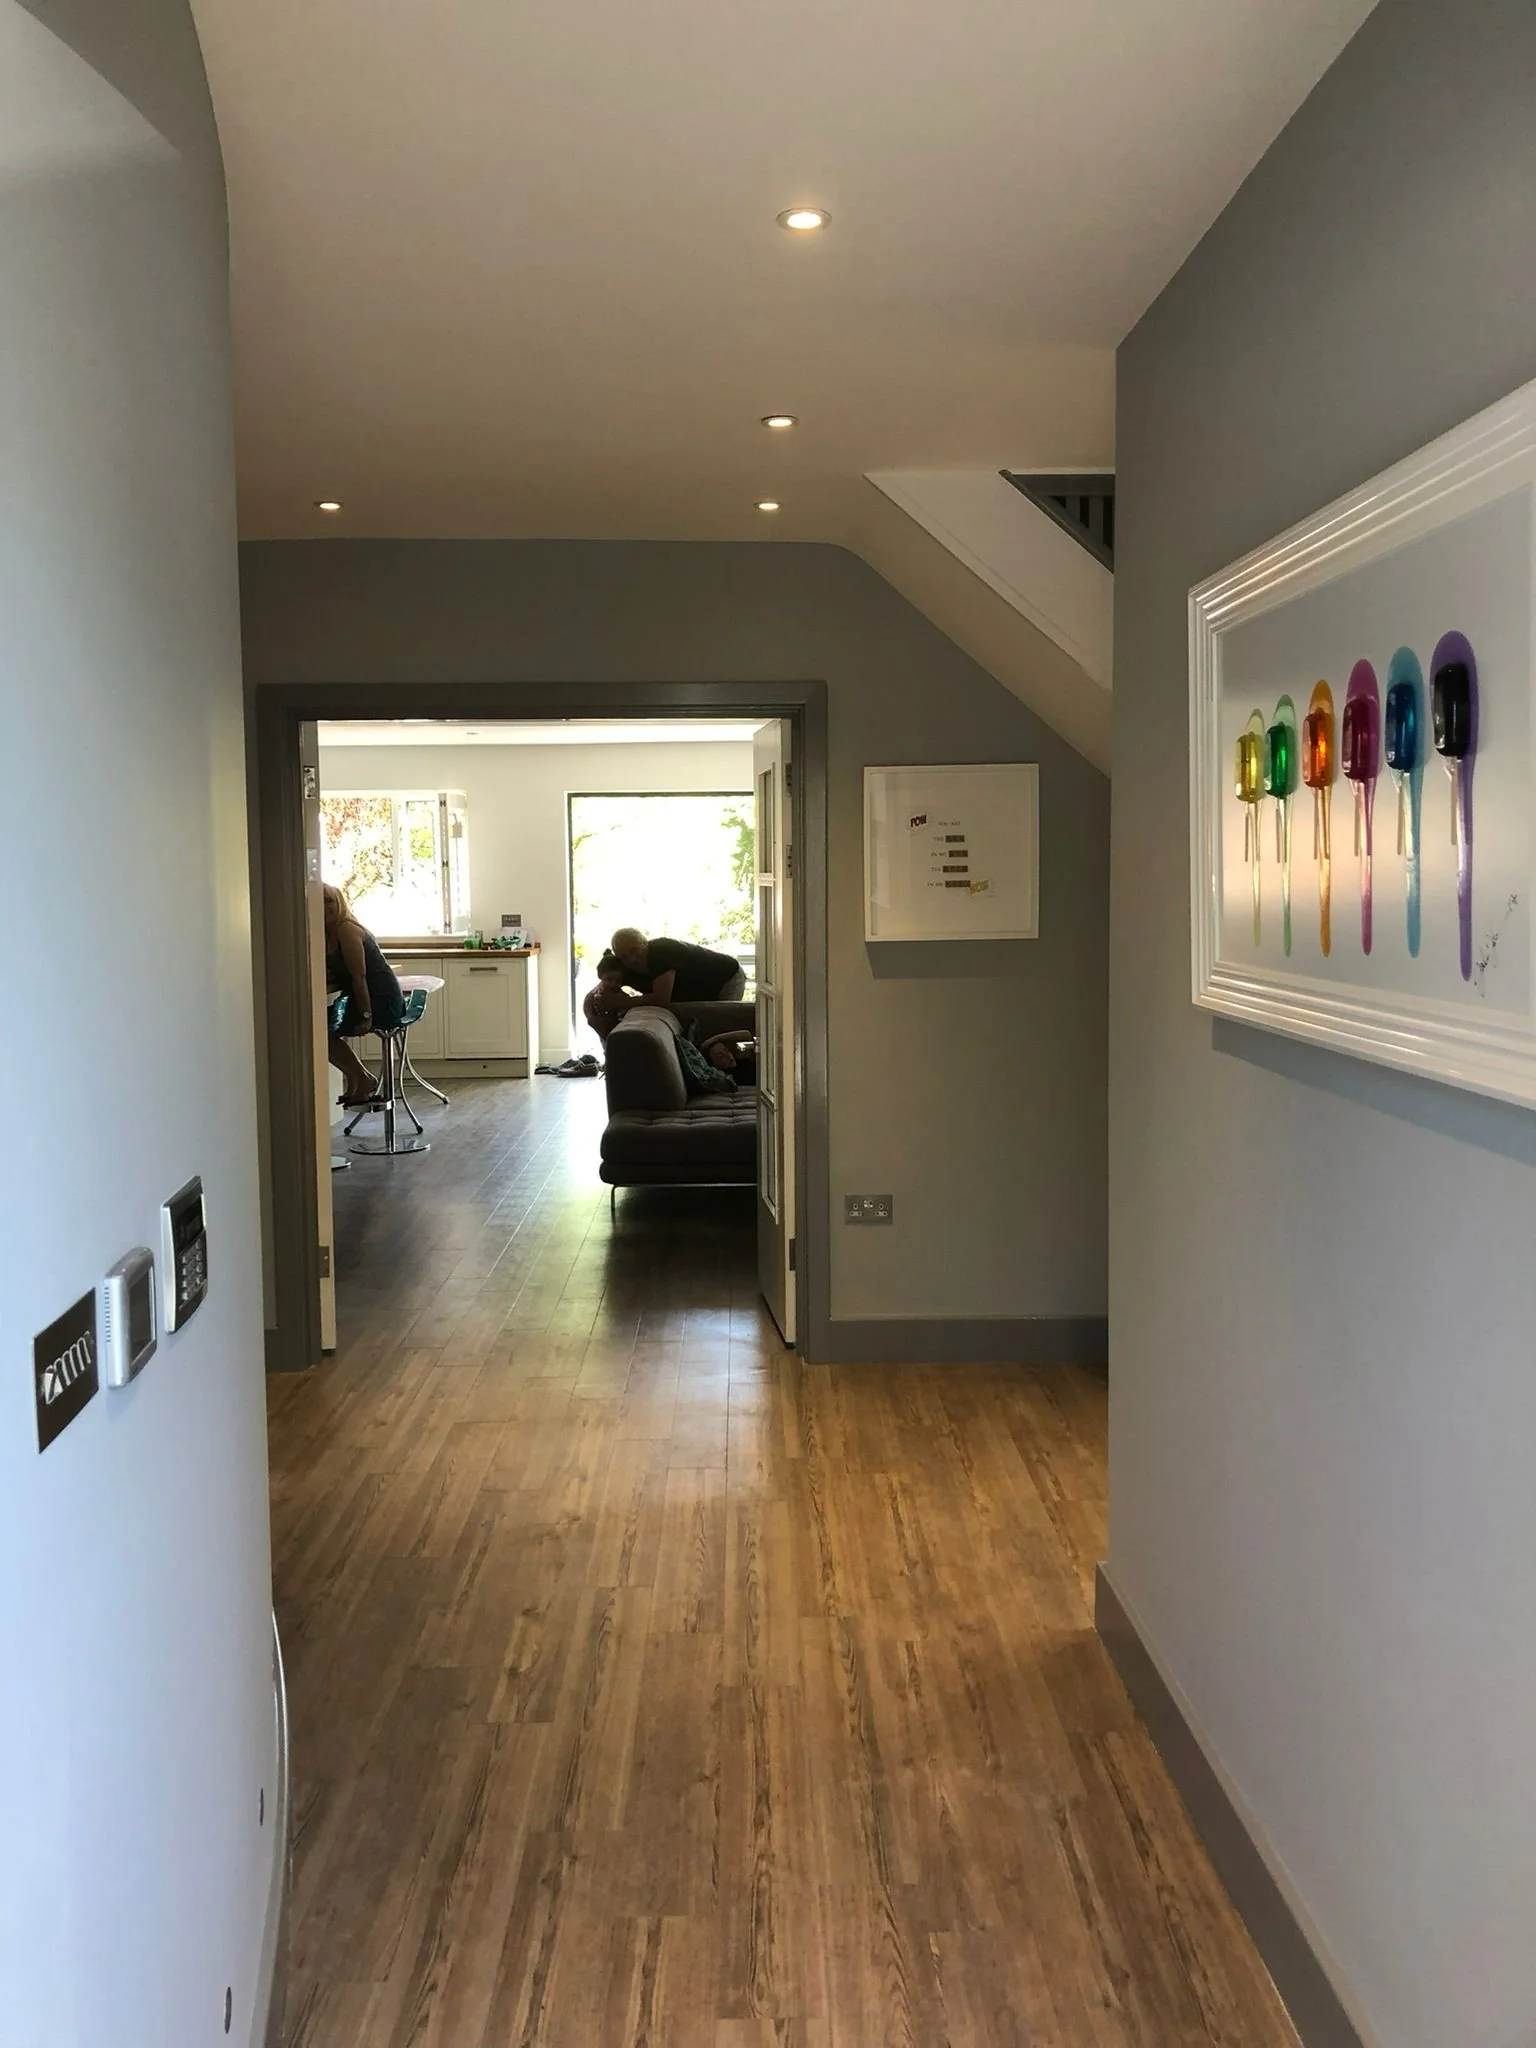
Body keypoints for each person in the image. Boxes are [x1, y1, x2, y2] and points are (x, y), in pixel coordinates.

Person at [322, 883, 405, 1106]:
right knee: (317, 1029)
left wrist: (366, 1016)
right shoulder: (328, 933)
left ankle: (361, 1077)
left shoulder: (346, 929)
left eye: (329, 900)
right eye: (318, 902)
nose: (324, 907)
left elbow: (359, 977)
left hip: (380, 1000)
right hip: (362, 997)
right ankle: (358, 1078)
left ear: (340, 903)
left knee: (319, 1031)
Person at [609, 926, 745, 1006]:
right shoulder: (622, 966)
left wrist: (620, 1002)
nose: (632, 959)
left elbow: (661, 999)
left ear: (645, 943)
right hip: (699, 991)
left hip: (727, 978)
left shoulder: (662, 951)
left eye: (635, 950)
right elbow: (604, 986)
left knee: (720, 1023)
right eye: (624, 956)